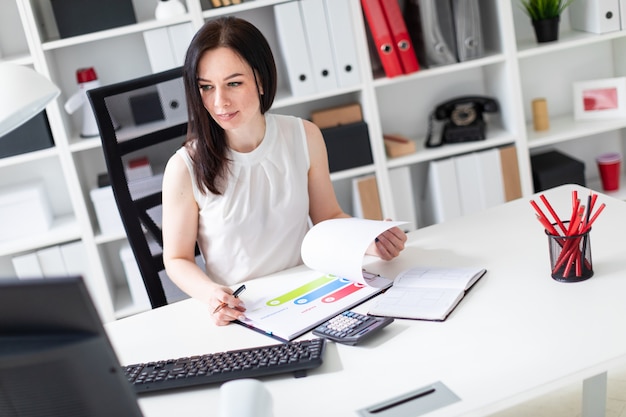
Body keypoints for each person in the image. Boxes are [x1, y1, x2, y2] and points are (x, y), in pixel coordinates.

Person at [162, 16, 407, 326]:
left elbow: (328, 218)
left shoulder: (304, 136)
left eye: (234, 83)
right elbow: (177, 259)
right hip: (245, 308)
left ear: (261, 80)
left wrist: (369, 241)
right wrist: (211, 294)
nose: (219, 102)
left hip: (310, 293)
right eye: (206, 87)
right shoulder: (184, 167)